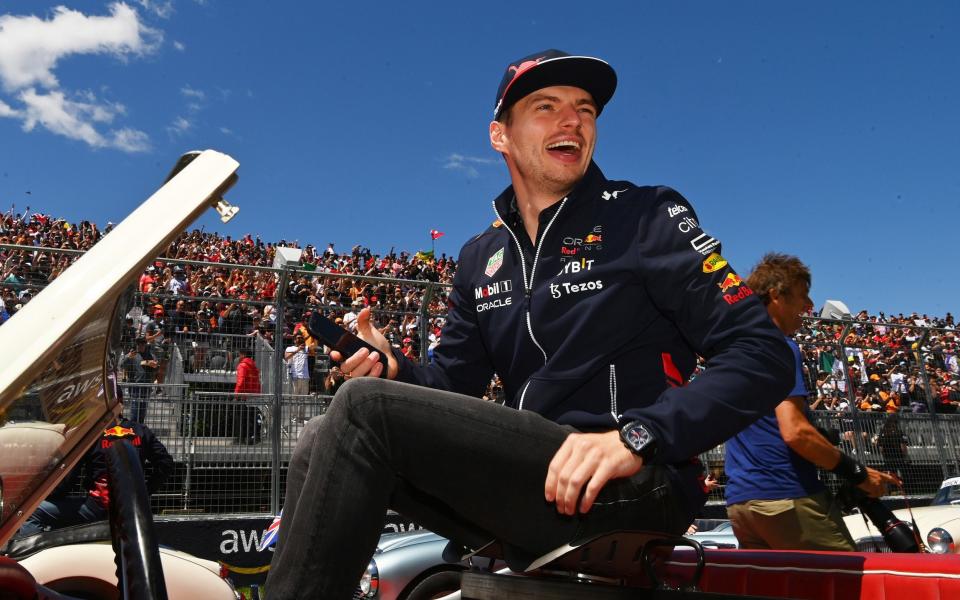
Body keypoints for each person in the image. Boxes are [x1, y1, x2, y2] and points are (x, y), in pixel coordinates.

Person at [266, 49, 794, 598]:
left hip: (634, 479)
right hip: (539, 479)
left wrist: (638, 437)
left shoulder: (645, 216)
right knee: (321, 432)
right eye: (547, 106)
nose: (573, 121)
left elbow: (763, 353)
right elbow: (450, 387)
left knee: (361, 409)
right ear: (501, 136)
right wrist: (391, 365)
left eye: (585, 109)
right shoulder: (480, 257)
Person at [724, 253, 899, 551]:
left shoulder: (732, 347)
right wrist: (858, 473)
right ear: (777, 295)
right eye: (803, 296)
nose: (808, 306)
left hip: (741, 505)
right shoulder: (779, 345)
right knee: (851, 587)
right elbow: (794, 432)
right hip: (787, 496)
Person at [18, 412, 173, 537]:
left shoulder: (93, 434)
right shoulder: (141, 430)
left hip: (97, 508)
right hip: (131, 508)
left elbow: (70, 476)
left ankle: (31, 560)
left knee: (32, 513)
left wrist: (49, 495)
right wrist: (145, 492)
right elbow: (166, 464)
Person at [234, 347, 263, 444]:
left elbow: (241, 381)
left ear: (242, 355)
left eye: (239, 354)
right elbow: (258, 382)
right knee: (251, 417)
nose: (238, 357)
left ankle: (240, 439)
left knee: (240, 418)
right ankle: (253, 437)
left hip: (244, 396)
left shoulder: (242, 366)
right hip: (253, 396)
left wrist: (236, 395)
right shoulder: (254, 366)